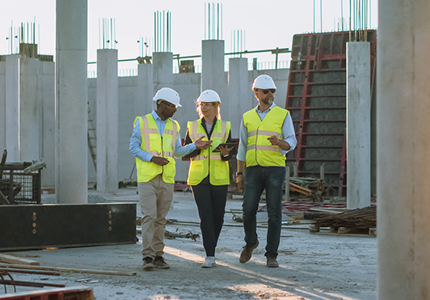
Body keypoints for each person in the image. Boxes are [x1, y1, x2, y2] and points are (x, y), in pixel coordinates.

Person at [129, 87, 211, 271]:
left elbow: (177, 151)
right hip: (147, 177)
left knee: (161, 218)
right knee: (149, 216)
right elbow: (133, 147)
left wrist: (194, 145)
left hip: (166, 177)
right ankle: (147, 256)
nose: (175, 109)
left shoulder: (174, 126)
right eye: (173, 106)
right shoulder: (141, 122)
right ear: (161, 104)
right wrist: (152, 158)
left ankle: (159, 256)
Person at [236, 75, 297, 268]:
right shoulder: (247, 117)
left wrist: (282, 143)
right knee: (248, 209)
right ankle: (251, 242)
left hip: (274, 169)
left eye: (272, 91)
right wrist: (239, 173)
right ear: (256, 93)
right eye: (266, 91)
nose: (270, 94)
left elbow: (292, 140)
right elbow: (242, 148)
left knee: (274, 212)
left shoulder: (283, 114)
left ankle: (271, 254)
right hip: (253, 170)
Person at [184, 90, 235, 268]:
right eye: (201, 104)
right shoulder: (191, 126)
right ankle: (210, 255)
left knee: (218, 217)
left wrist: (226, 154)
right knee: (206, 216)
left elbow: (229, 154)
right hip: (199, 178)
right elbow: (185, 152)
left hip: (219, 177)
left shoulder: (225, 126)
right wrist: (197, 147)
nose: (204, 107)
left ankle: (211, 246)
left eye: (207, 104)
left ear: (216, 106)